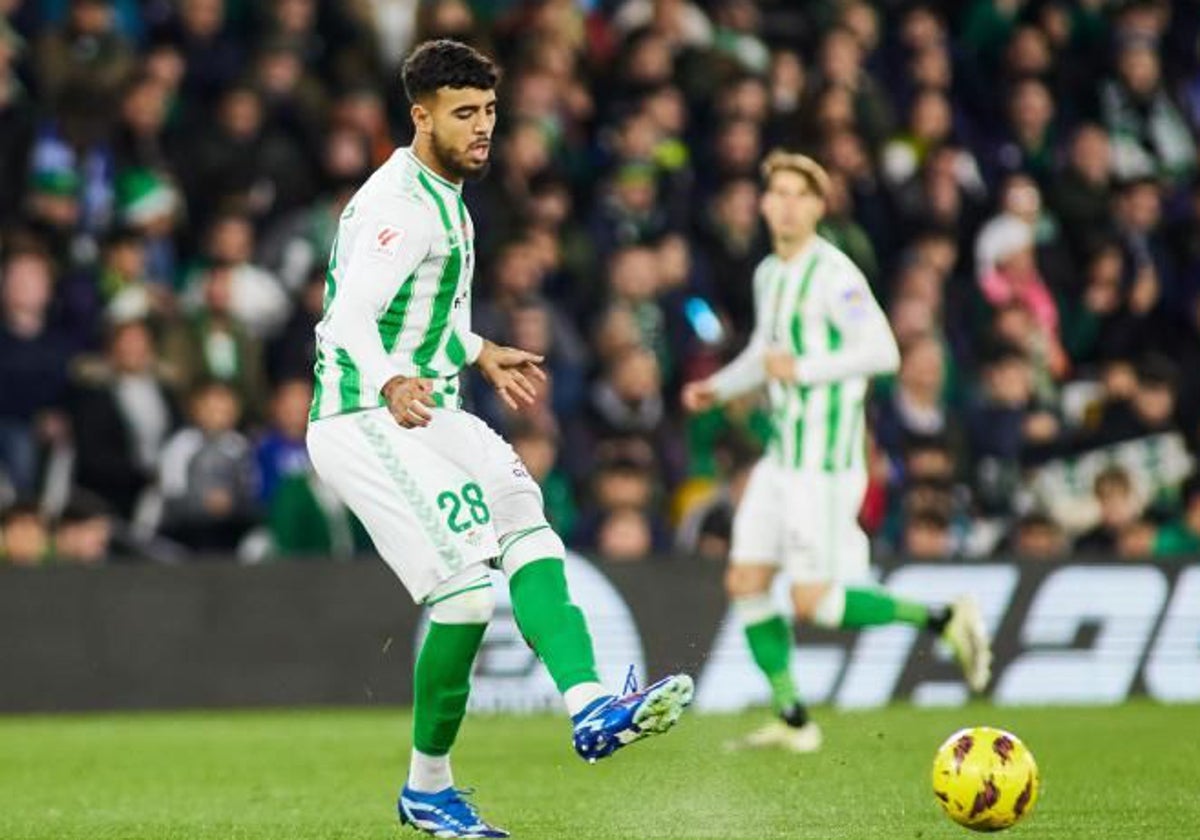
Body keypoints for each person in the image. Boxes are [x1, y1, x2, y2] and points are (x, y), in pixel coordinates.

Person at [303, 40, 693, 839]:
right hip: (361, 417)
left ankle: (590, 708)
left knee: (523, 506)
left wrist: (475, 349)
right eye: (463, 114)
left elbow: (426, 316)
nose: (482, 128)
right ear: (421, 116)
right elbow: (345, 317)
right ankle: (427, 789)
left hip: (425, 408)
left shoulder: (448, 194)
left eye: (488, 111)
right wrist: (388, 382)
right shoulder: (400, 208)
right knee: (466, 594)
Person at [681, 150, 991, 754]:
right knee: (746, 578)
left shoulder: (836, 276)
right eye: (778, 193)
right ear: (764, 204)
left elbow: (882, 353)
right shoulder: (771, 272)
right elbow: (766, 354)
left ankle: (943, 618)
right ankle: (794, 720)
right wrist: (720, 387)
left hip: (825, 464)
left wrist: (806, 368)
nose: (787, 204)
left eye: (801, 193)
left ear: (820, 207)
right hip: (782, 458)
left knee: (815, 602)